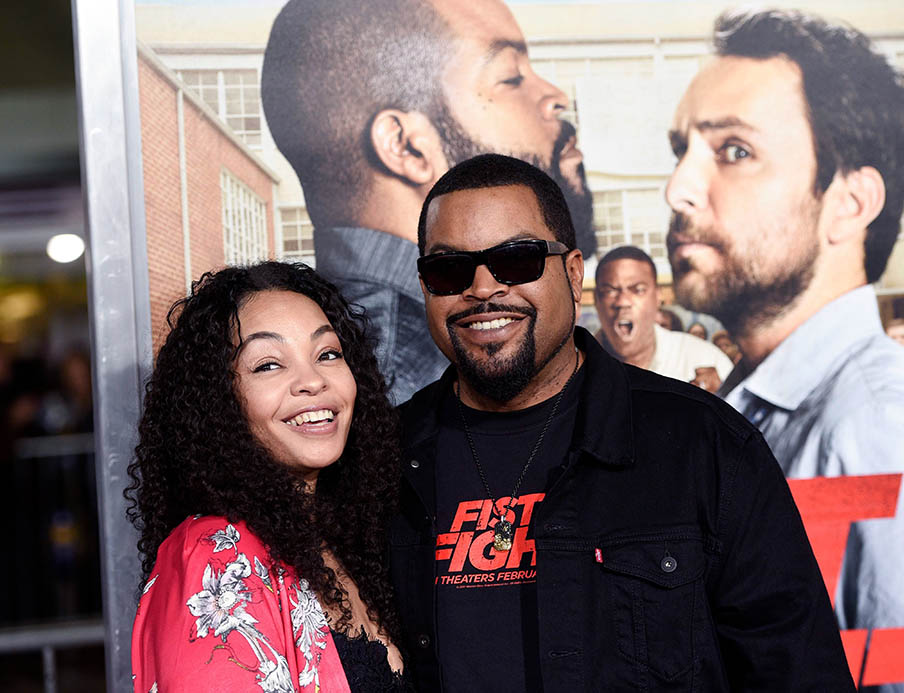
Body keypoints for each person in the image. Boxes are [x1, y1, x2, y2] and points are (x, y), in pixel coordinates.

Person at [390, 153, 853, 691]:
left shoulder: (704, 444)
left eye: (517, 260)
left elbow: (798, 673)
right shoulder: (383, 459)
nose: (483, 288)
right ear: (425, 286)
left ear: (573, 273)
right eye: (449, 269)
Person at [665, 7, 904, 683]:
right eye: (682, 151)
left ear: (850, 202)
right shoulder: (756, 406)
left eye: (735, 151)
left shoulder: (890, 437)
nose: (679, 190)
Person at [261, 0, 596, 404]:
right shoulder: (399, 374)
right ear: (407, 146)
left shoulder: (357, 340)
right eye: (510, 77)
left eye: (519, 257)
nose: (556, 96)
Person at [127, 262, 409, 692]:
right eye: (269, 365)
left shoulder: (342, 542)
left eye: (327, 354)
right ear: (218, 401)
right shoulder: (215, 554)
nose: (312, 381)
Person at [593, 245, 732, 390]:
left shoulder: (702, 358)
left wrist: (718, 398)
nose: (623, 302)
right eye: (609, 291)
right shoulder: (578, 369)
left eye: (638, 290)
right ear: (596, 299)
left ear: (658, 296)